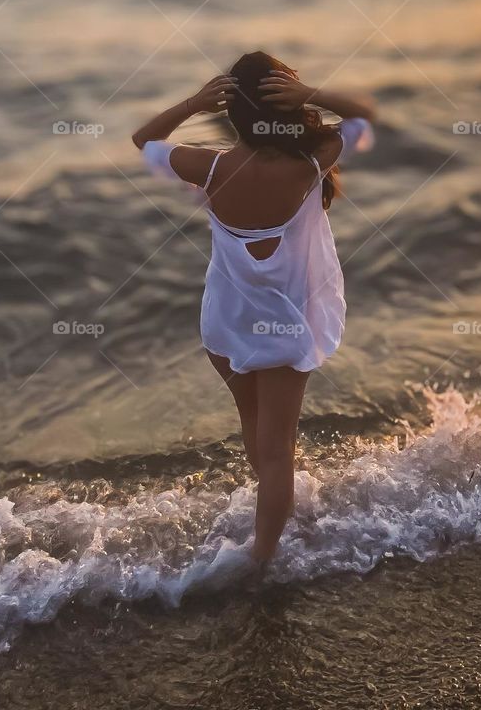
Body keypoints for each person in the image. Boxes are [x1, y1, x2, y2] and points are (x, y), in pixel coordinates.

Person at [132, 50, 375, 566]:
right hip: (285, 326)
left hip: (226, 323)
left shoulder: (209, 166)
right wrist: (311, 95)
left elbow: (144, 141)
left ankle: (276, 510)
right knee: (277, 447)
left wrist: (192, 104)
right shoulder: (311, 161)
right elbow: (363, 117)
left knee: (257, 431)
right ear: (286, 109)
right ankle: (261, 564)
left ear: (231, 116)